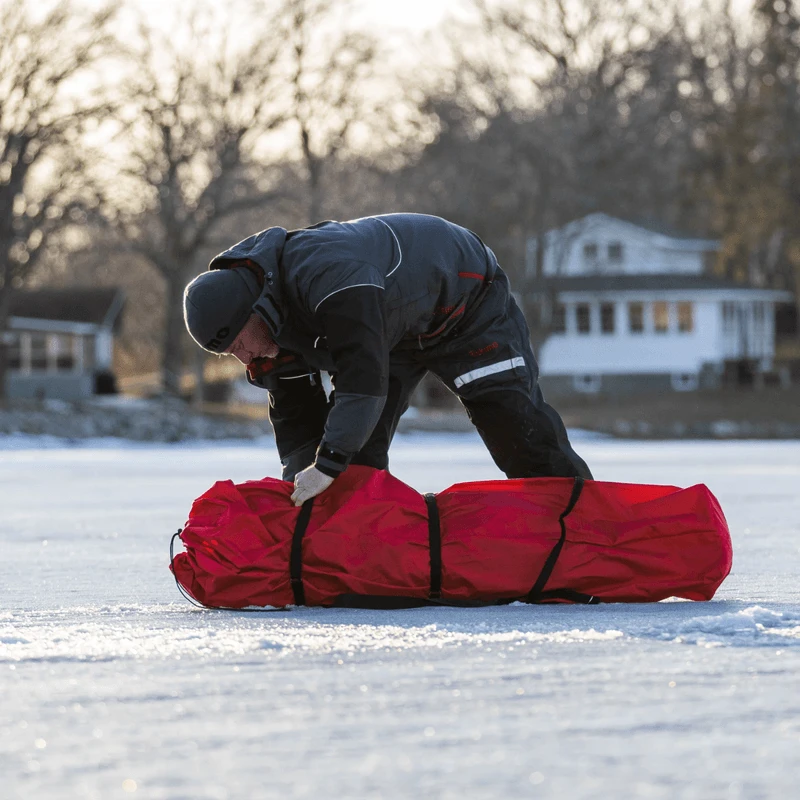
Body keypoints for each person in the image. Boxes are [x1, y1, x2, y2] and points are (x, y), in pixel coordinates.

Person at [183, 213, 592, 506]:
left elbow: (361, 380)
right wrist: (301, 488)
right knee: (354, 465)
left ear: (254, 314)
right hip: (392, 329)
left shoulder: (328, 273)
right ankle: (359, 560)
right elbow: (296, 420)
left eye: (237, 345)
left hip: (464, 303)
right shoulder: (268, 329)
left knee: (515, 428)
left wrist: (326, 464)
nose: (242, 358)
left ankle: (589, 530)